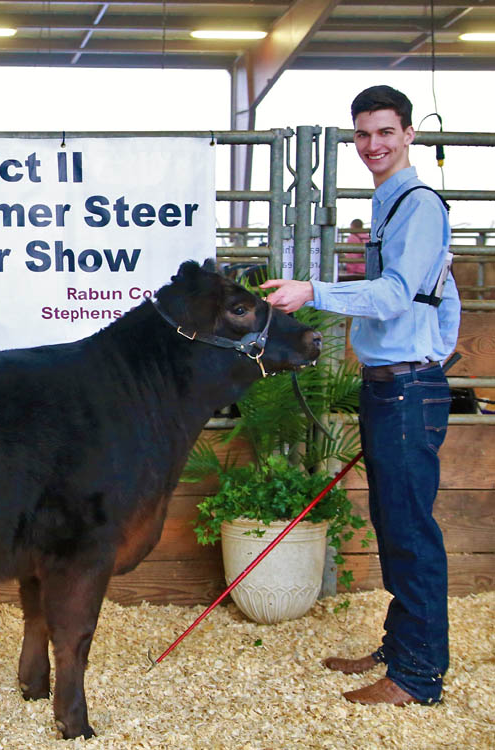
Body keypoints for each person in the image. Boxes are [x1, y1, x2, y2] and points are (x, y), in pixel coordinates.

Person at [261, 85, 461, 707]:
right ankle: (401, 648)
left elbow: (400, 294)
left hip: (406, 388)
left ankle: (418, 676)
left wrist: (313, 292)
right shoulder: (388, 203)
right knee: (393, 523)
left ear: (408, 136)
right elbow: (437, 294)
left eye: (385, 132)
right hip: (392, 385)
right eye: (363, 134)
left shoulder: (419, 205)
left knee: (409, 532)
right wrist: (439, 339)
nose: (373, 145)